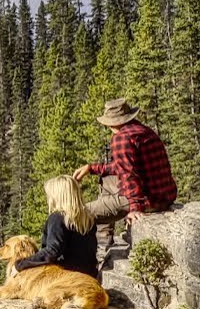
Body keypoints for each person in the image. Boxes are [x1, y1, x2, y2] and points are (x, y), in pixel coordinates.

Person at [72, 97, 177, 242]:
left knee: (79, 213)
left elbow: (129, 175)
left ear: (112, 123)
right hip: (166, 194)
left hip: (148, 200)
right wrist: (91, 168)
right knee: (106, 178)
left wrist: (135, 208)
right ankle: (104, 241)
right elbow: (124, 166)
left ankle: (102, 246)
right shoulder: (144, 131)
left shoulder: (122, 138)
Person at [13, 175, 99, 279]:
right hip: (89, 275)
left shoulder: (58, 218)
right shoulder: (88, 218)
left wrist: (20, 264)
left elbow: (52, 252)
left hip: (65, 275)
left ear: (57, 196)